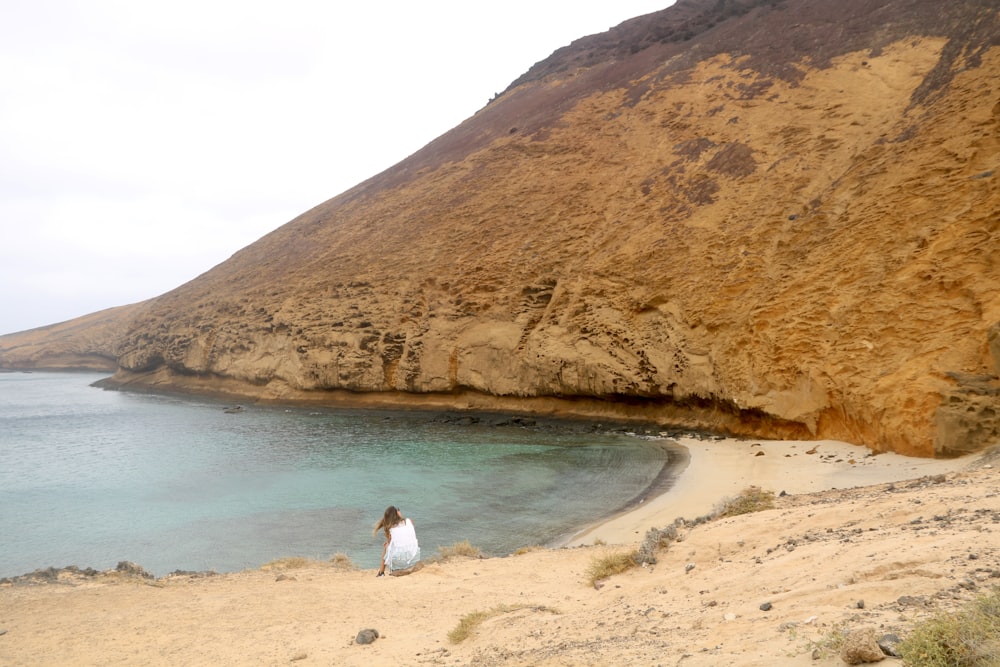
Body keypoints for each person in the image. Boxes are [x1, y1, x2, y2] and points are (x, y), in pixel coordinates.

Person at [373, 505, 420, 576]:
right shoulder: (409, 521)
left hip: (401, 561)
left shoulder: (390, 529)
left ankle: (381, 573)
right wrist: (400, 517)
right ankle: (383, 572)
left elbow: (390, 542)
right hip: (414, 557)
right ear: (397, 514)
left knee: (386, 546)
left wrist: (388, 544)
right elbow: (405, 532)